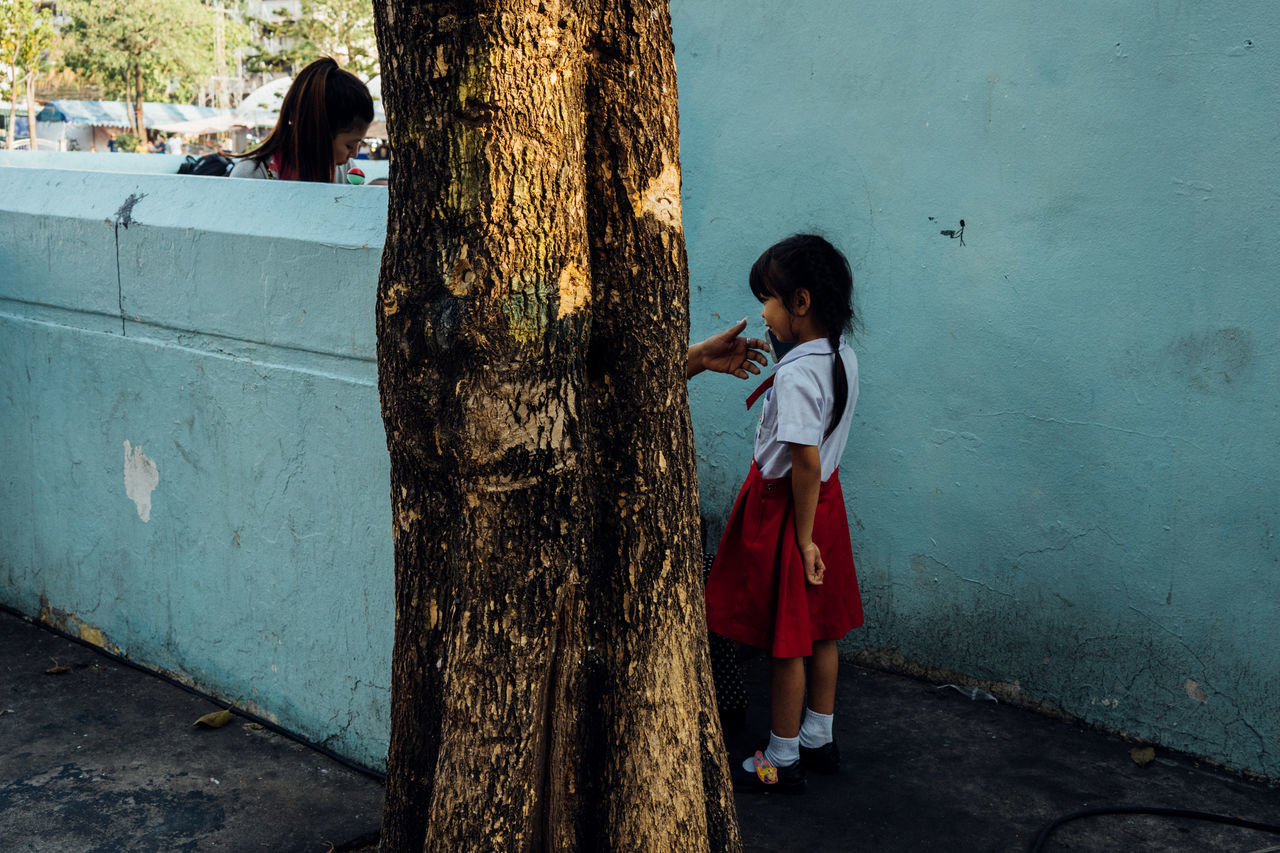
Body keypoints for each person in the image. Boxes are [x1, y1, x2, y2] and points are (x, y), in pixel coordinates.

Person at [703, 233, 864, 793]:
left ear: (799, 303)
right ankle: (819, 737)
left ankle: (780, 757)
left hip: (790, 512)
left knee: (784, 641)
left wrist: (801, 541)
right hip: (826, 506)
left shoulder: (796, 374)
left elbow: (803, 460)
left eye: (768, 301)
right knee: (821, 632)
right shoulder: (841, 354)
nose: (762, 314)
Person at [230, 57, 374, 183]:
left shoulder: (348, 172)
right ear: (316, 133)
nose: (354, 154)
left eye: (358, 144)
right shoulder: (251, 176)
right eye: (349, 146)